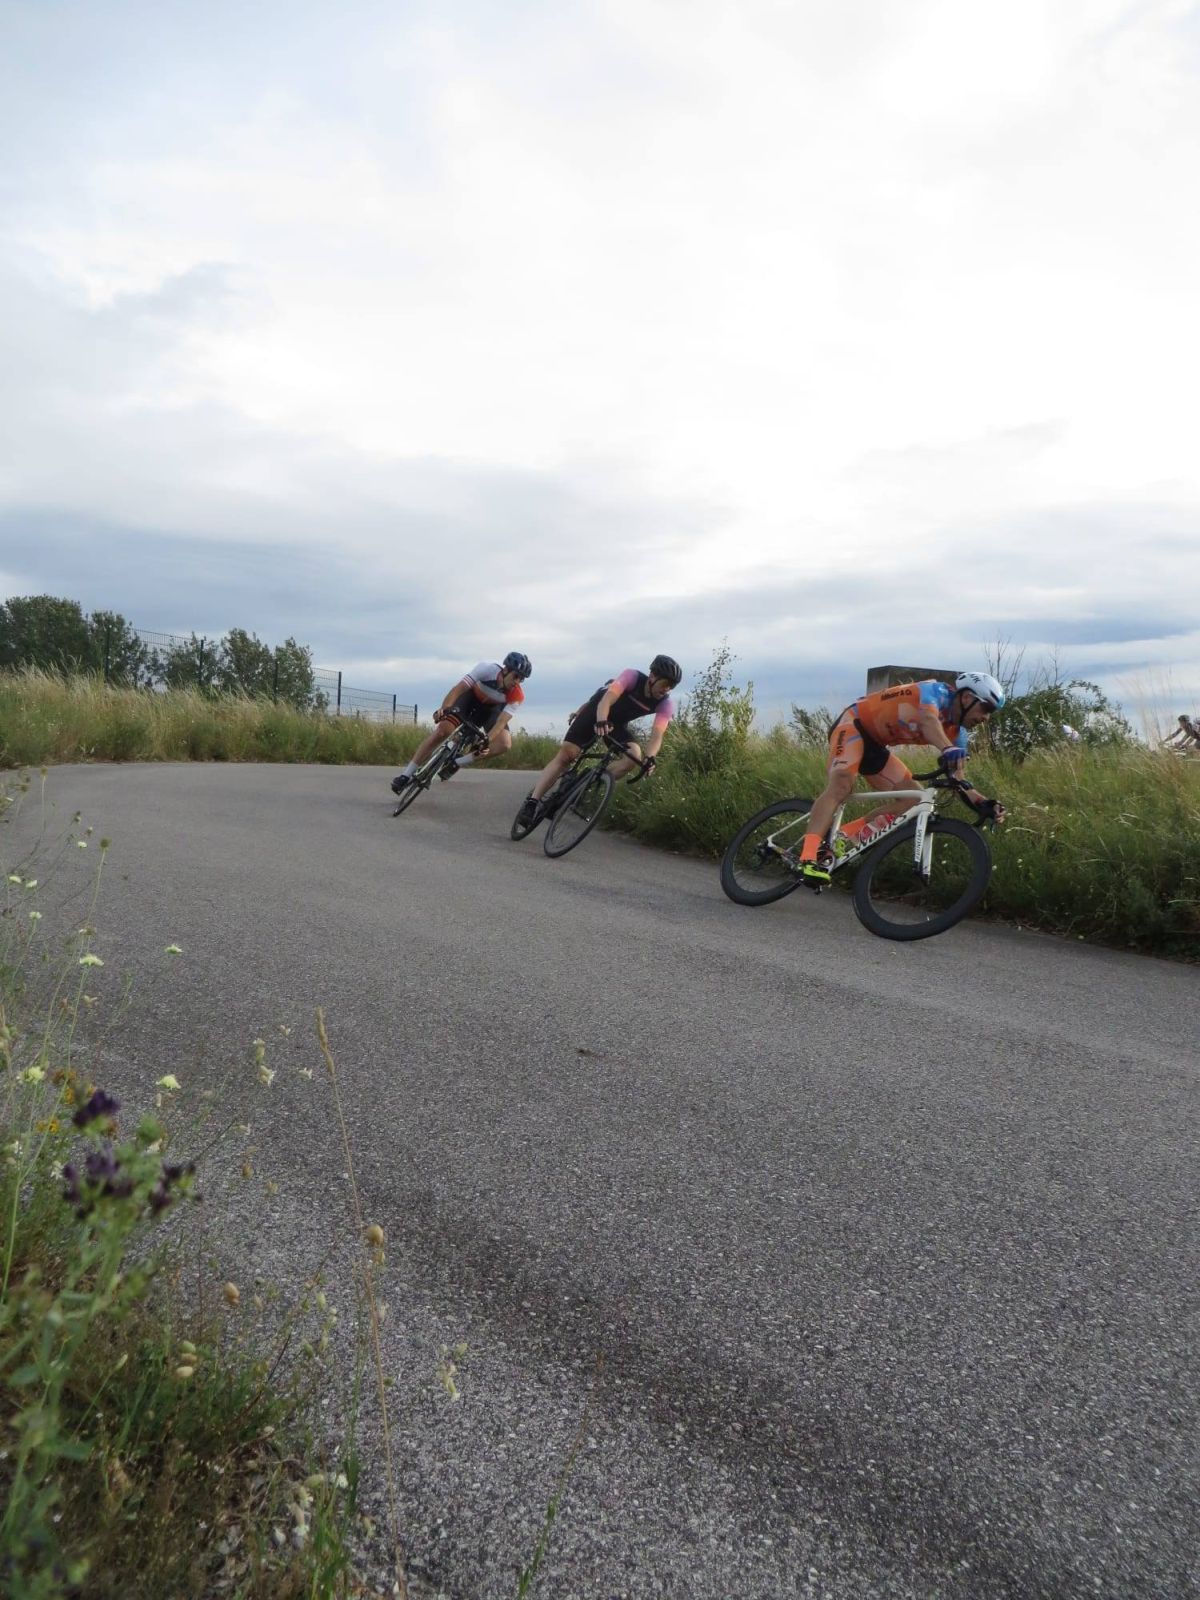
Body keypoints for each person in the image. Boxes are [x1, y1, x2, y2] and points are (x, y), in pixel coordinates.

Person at [795, 671, 1008, 884]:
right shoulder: (934, 692)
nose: (986, 718)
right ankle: (808, 857)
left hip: (876, 746)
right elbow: (928, 720)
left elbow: (959, 779)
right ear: (967, 697)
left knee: (914, 800)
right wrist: (947, 749)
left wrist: (983, 803)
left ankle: (842, 836)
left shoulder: (957, 734)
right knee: (841, 786)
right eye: (986, 708)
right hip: (853, 725)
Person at [515, 654, 683, 828]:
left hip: (617, 724)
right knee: (567, 755)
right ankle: (532, 802)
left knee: (633, 756)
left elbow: (657, 734)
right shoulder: (632, 677)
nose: (667, 689)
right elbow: (607, 699)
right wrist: (601, 720)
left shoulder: (665, 704)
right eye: (665, 683)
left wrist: (650, 758)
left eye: (671, 686)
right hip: (597, 711)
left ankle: (582, 785)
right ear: (652, 676)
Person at [390, 652, 532, 794]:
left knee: (504, 744)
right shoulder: (487, 669)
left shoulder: (517, 694)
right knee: (442, 731)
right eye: (516, 676)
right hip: (470, 699)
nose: (517, 682)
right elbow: (459, 689)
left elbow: (501, 722)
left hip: (491, 710)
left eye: (521, 679)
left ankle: (457, 762)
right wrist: (444, 709)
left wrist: (487, 741)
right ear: (506, 669)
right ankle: (405, 775)